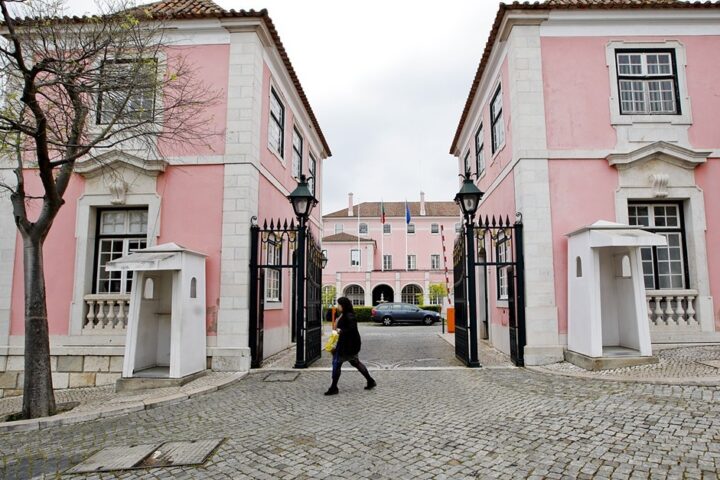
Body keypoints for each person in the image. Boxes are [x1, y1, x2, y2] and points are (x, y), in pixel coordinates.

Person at [325, 297, 376, 396]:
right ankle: (370, 381)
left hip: (347, 346)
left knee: (337, 364)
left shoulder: (349, 316)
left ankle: (333, 387)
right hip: (346, 345)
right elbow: (332, 320)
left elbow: (352, 330)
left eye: (339, 304)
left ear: (343, 305)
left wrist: (341, 330)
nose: (338, 306)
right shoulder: (344, 314)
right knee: (355, 362)